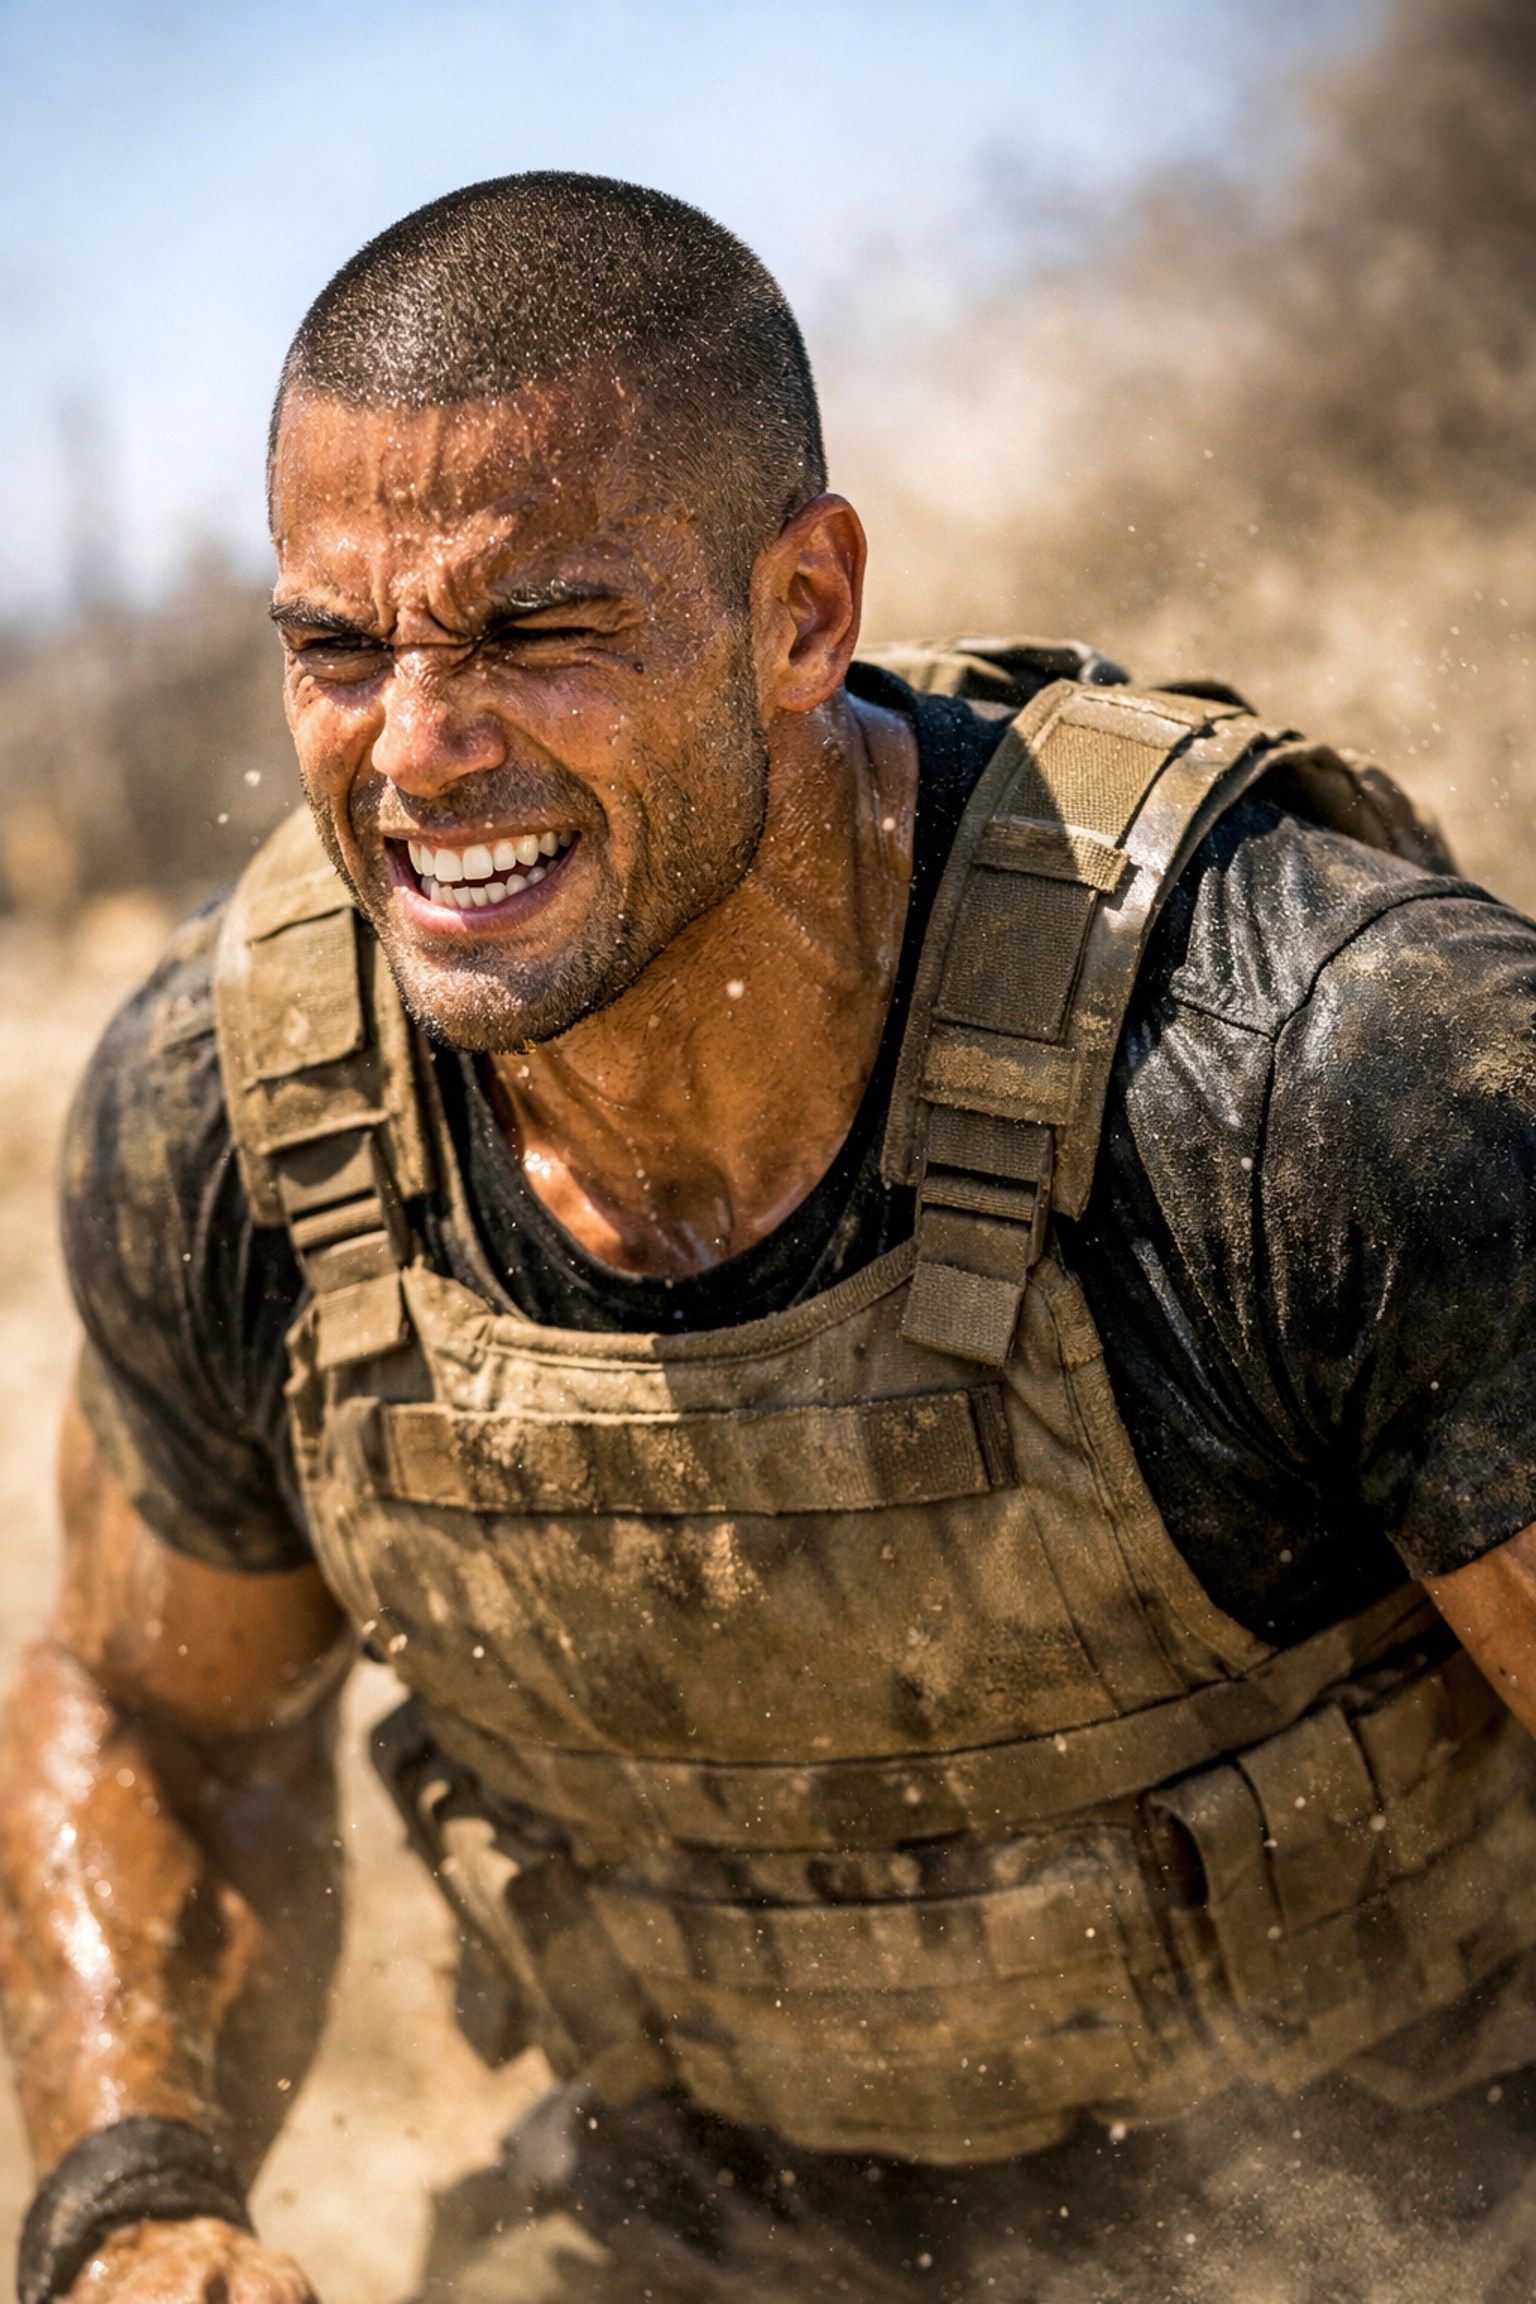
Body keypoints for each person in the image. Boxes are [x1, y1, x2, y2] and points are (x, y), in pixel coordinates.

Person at [7, 172, 1536, 2304]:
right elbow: (162, 1717)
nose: (420, 758)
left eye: (538, 631)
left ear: (804, 611)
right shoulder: (232, 1122)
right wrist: (136, 2211)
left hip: (1417, 2200)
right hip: (716, 2221)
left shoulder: (1330, 1071)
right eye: (340, 652)